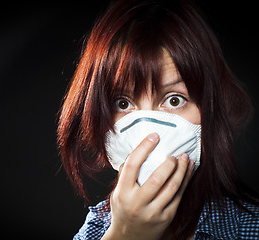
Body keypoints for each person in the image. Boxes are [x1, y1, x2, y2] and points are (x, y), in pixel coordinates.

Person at [57, 0, 259, 239]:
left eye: (174, 100)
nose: (148, 132)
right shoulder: (96, 229)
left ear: (209, 108)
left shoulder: (249, 228)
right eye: (123, 103)